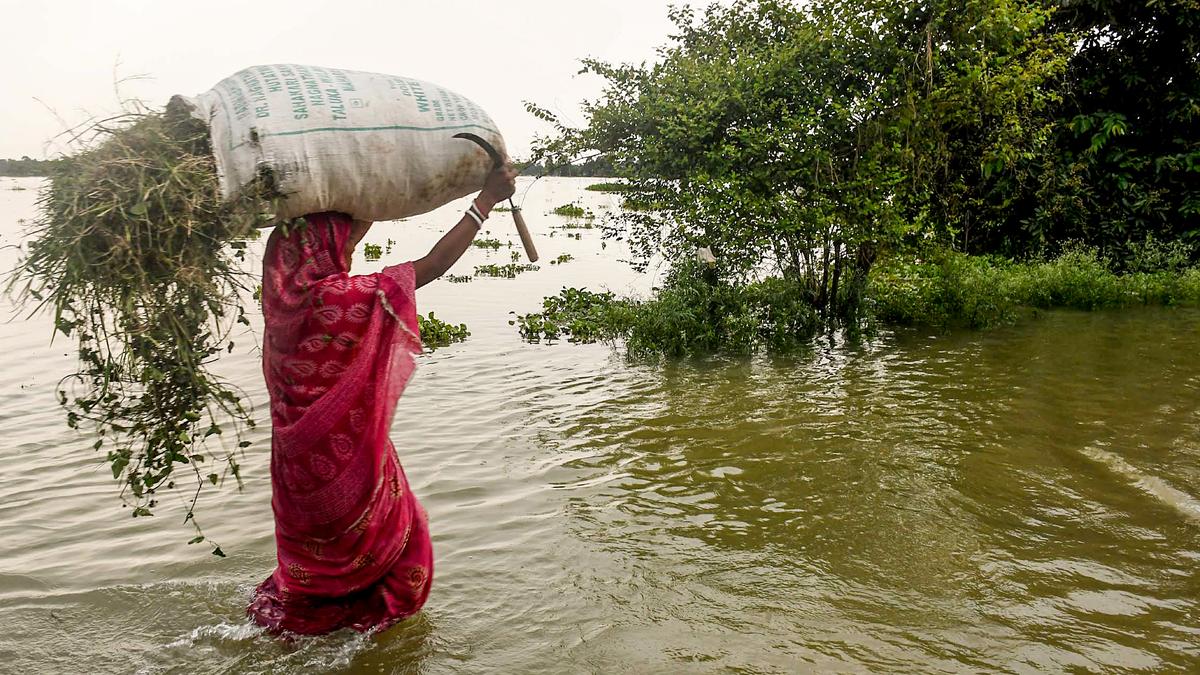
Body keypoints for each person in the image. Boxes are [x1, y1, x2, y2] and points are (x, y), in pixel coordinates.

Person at [248, 163, 519, 634]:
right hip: (347, 475)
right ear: (327, 250)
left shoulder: (281, 310)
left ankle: (302, 634)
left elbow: (353, 229)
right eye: (344, 243)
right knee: (401, 549)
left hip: (297, 482)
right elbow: (428, 268)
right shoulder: (338, 298)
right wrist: (485, 202)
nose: (350, 249)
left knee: (316, 579)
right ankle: (371, 644)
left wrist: (358, 191)